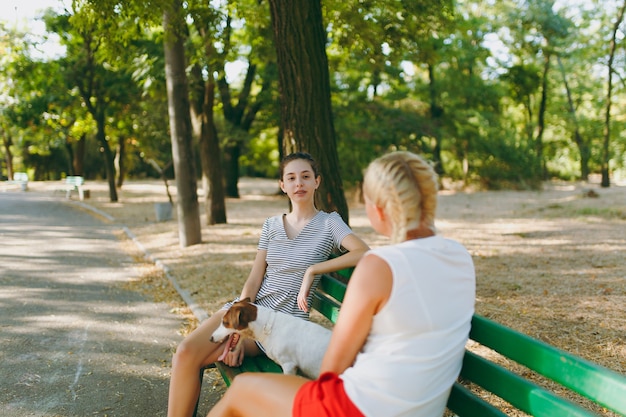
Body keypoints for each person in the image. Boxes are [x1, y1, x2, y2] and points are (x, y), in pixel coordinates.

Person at [206, 151, 476, 417]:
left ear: (378, 209)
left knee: (241, 390)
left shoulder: (380, 265)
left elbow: (332, 367)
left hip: (360, 406)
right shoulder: (460, 256)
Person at [167, 151, 370, 417]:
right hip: (247, 313)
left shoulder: (329, 223)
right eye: (292, 178)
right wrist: (238, 329)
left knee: (199, 359)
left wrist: (313, 270)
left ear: (317, 182)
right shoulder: (272, 225)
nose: (299, 183)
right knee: (184, 354)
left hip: (282, 328)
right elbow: (254, 278)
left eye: (306, 177)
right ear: (282, 185)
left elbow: (364, 252)